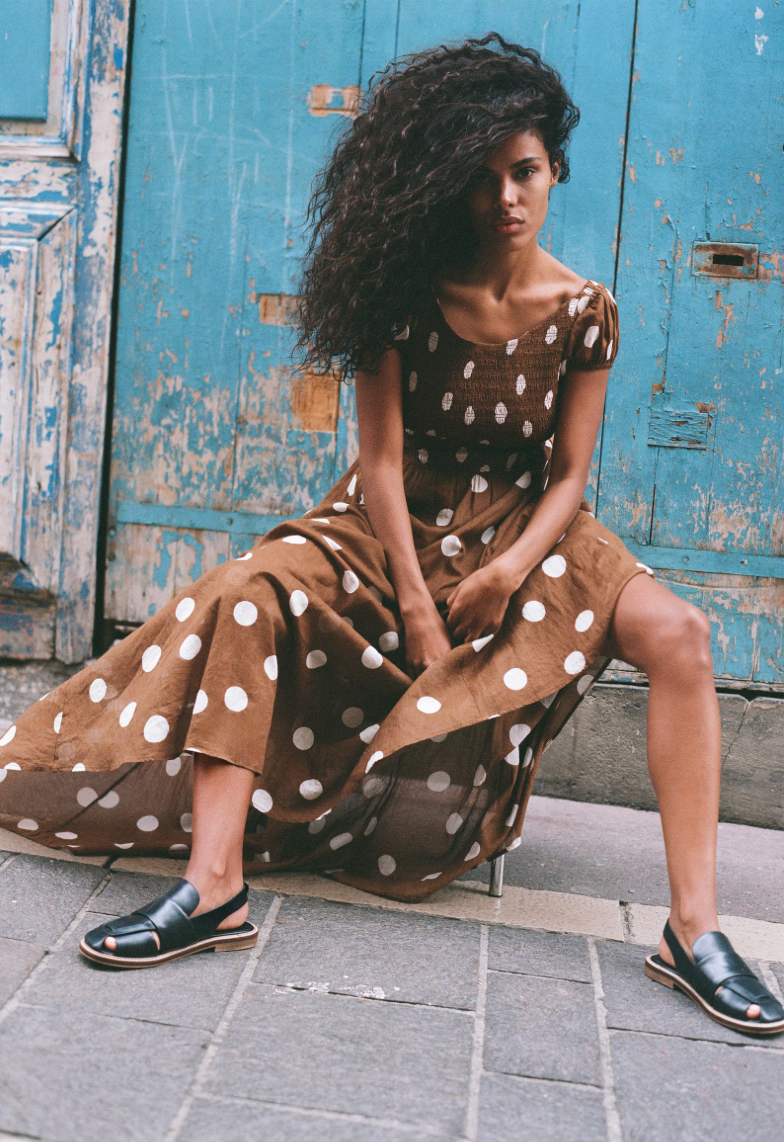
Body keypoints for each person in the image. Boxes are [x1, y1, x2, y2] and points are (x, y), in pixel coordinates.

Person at [0, 35, 781, 1034]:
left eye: (526, 170)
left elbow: (572, 474)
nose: (507, 195)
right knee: (248, 587)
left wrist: (507, 567)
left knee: (681, 634)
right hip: (389, 519)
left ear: (555, 170)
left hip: (526, 524)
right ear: (447, 183)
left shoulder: (587, 310)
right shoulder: (402, 293)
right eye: (483, 175)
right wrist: (416, 601)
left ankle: (695, 929)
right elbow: (376, 462)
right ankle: (213, 884)